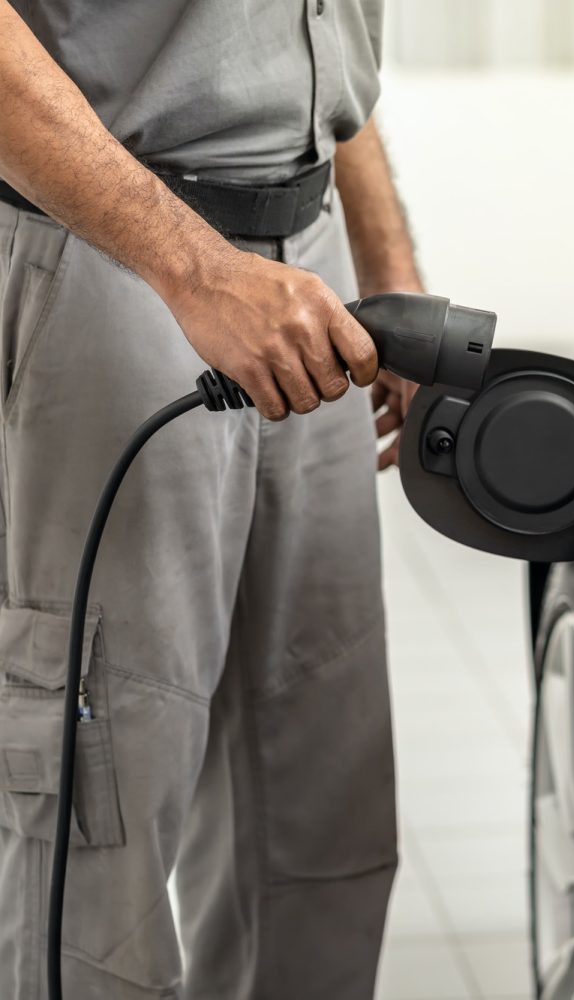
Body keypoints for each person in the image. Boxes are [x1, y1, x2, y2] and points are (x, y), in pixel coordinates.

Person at [0, 2, 416, 996]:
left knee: (319, 824)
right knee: (104, 840)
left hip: (312, 263)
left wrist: (389, 266)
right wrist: (194, 270)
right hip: (114, 252)